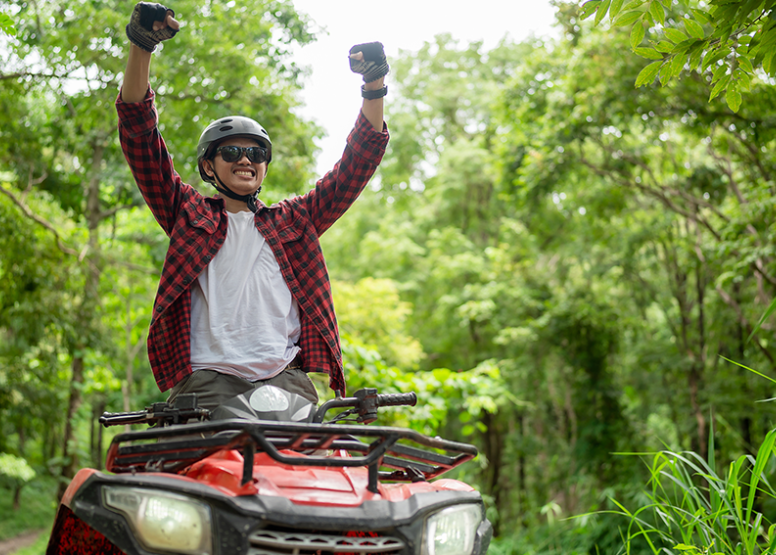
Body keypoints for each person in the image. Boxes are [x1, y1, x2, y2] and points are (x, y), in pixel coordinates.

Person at [117, 2, 390, 411]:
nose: (245, 159)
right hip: (209, 379)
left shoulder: (296, 221)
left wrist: (374, 83)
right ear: (209, 166)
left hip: (287, 378)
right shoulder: (187, 213)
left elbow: (356, 166)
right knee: (207, 473)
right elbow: (139, 136)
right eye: (232, 152)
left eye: (255, 152)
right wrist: (142, 46)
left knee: (309, 473)